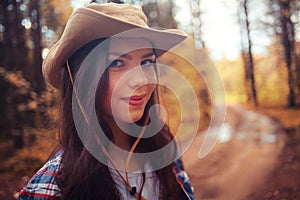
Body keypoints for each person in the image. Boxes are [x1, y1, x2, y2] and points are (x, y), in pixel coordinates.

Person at [18, 2, 194, 200]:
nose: (142, 80)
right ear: (82, 77)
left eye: (146, 62)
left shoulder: (164, 154)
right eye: (117, 63)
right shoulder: (52, 187)